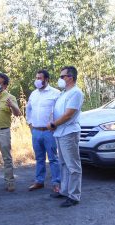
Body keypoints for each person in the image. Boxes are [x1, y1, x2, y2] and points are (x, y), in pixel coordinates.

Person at [47, 66, 84, 207]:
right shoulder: (64, 93)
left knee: (73, 165)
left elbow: (68, 114)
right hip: (60, 132)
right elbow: (56, 111)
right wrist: (53, 123)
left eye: (63, 76)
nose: (60, 79)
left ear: (71, 77)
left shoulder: (76, 93)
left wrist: (53, 124)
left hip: (69, 133)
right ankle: (64, 190)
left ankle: (74, 196)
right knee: (63, 163)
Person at [26, 69, 61, 193]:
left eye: (40, 78)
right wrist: (29, 123)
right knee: (39, 158)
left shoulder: (56, 93)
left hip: (49, 132)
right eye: (36, 78)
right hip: (36, 131)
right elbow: (28, 109)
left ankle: (57, 183)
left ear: (47, 79)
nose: (37, 80)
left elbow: (60, 112)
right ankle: (39, 181)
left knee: (53, 158)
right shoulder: (34, 94)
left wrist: (56, 125)